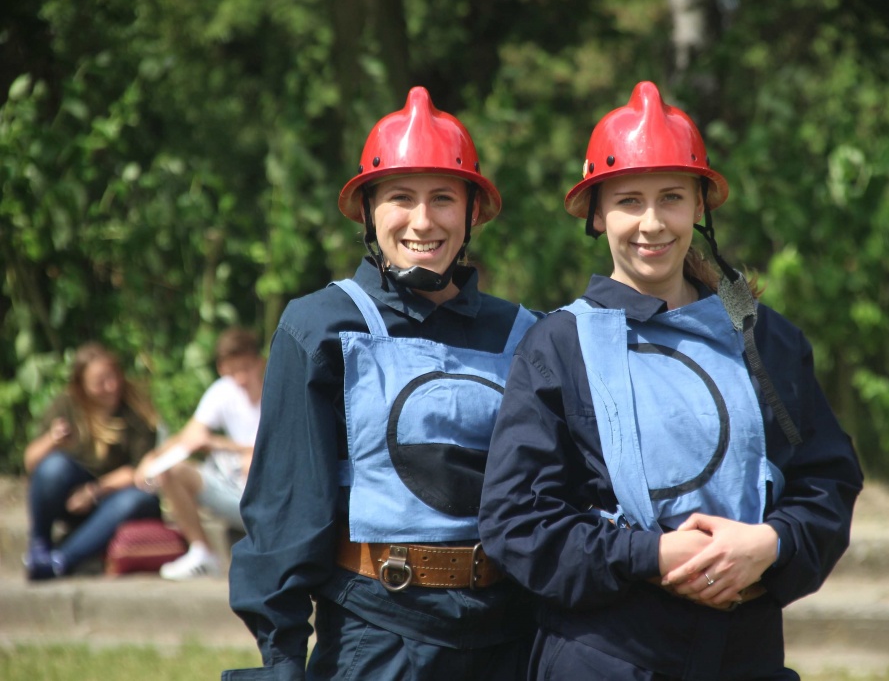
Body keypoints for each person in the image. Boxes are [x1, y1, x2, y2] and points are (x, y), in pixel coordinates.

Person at [478, 81, 864, 680]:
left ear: (700, 207)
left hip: (746, 657)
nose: (652, 223)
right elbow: (517, 524)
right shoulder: (557, 346)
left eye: (672, 198)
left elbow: (827, 481)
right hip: (607, 659)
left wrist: (772, 544)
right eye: (629, 201)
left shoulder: (763, 338)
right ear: (597, 214)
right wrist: (651, 554)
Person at [224, 87, 538, 681]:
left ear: (472, 212)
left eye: (443, 198)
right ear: (368, 211)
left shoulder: (529, 334)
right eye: (400, 197)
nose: (423, 220)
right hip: (377, 636)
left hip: (511, 638)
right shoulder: (318, 326)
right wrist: (281, 659)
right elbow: (287, 509)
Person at [23, 342, 163, 580]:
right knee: (53, 467)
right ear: (81, 387)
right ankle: (39, 546)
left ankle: (60, 561)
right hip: (71, 498)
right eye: (100, 382)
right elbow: (31, 463)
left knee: (136, 498)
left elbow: (138, 472)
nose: (111, 386)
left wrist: (94, 491)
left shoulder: (136, 410)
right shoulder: (67, 404)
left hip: (115, 496)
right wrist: (52, 440)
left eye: (113, 377)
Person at [137, 327, 264, 580]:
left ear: (260, 362)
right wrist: (152, 459)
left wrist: (219, 444)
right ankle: (201, 552)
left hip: (268, 496)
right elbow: (191, 435)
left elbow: (273, 451)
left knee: (253, 463)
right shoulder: (223, 390)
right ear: (222, 369)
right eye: (233, 371)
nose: (241, 378)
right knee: (173, 471)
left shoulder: (277, 388)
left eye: (246, 368)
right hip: (234, 491)